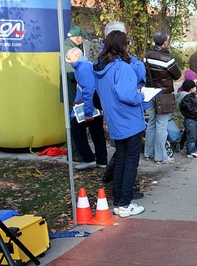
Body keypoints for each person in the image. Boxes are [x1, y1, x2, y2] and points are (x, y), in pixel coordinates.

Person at [93, 30, 145, 218]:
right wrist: (140, 96)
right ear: (123, 46)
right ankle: (124, 203)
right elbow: (126, 94)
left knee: (121, 161)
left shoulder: (100, 68)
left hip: (114, 120)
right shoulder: (121, 68)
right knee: (130, 162)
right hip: (128, 120)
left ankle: (119, 201)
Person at [65, 47, 108, 170]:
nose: (68, 61)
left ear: (77, 57)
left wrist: (88, 111)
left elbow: (88, 90)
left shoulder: (82, 68)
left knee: (76, 130)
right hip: (94, 104)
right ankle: (101, 160)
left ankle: (88, 158)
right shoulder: (86, 66)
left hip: (88, 105)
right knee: (96, 132)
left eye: (69, 58)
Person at [143, 31, 182, 164]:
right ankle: (160, 156)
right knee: (161, 124)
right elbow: (177, 75)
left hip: (149, 92)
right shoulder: (167, 58)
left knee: (152, 123)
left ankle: (148, 152)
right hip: (164, 95)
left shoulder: (147, 55)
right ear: (164, 42)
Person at [61, 26, 88, 162]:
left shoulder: (68, 46)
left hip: (73, 91)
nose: (82, 39)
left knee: (76, 122)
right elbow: (70, 74)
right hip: (71, 92)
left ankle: (76, 150)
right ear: (77, 37)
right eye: (81, 37)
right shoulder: (69, 50)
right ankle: (74, 152)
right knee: (74, 122)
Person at [176, 80, 197, 158]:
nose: (196, 88)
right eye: (194, 87)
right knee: (191, 136)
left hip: (194, 119)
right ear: (190, 89)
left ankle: (194, 148)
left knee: (193, 135)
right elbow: (191, 110)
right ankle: (191, 151)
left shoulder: (190, 96)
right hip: (190, 120)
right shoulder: (187, 98)